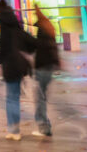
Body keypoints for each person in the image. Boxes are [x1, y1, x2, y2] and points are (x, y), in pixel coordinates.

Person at [0, 0, 33, 141]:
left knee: (10, 99)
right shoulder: (16, 28)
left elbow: (1, 52)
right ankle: (15, 130)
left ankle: (13, 130)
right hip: (19, 67)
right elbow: (30, 43)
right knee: (14, 98)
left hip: (9, 67)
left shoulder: (4, 31)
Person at [32, 7, 60, 138]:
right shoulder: (49, 28)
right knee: (42, 97)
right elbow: (53, 48)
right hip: (49, 67)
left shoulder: (42, 31)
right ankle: (44, 126)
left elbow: (41, 48)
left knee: (40, 98)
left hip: (42, 67)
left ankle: (44, 128)